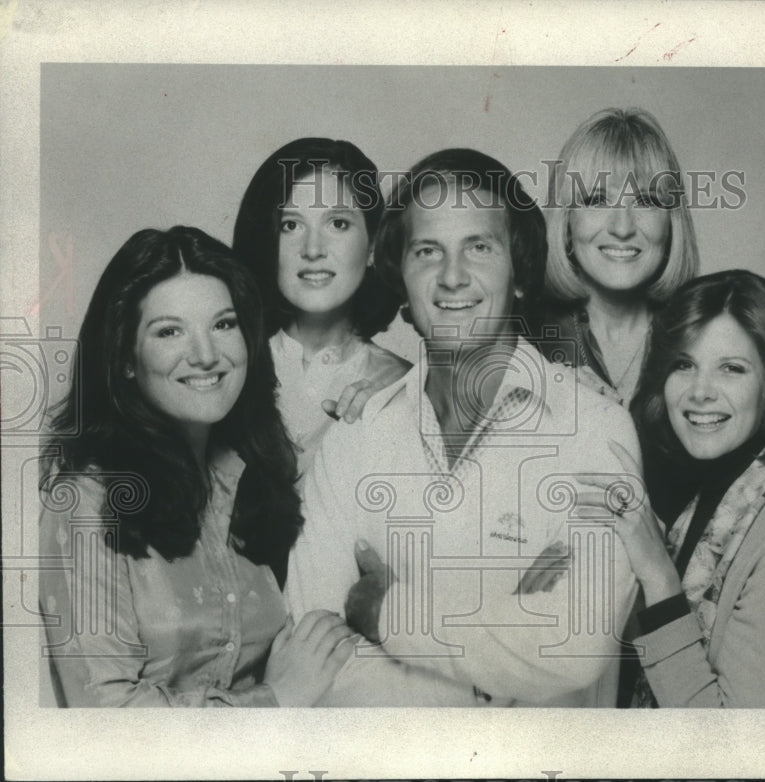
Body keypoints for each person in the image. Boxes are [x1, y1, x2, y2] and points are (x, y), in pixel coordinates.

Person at [285, 148, 641, 706]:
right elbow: (315, 657)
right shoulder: (355, 438)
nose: (452, 277)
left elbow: (572, 642)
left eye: (479, 246)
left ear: (520, 273)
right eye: (427, 251)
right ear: (400, 280)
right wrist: (499, 654)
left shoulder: (593, 432)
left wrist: (386, 612)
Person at [40, 226, 355, 706]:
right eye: (169, 331)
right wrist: (275, 700)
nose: (207, 355)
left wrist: (387, 400)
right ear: (125, 357)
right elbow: (104, 717)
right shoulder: (87, 502)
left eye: (224, 325)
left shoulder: (259, 477)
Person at [578, 270, 765, 707]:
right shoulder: (704, 494)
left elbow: (722, 749)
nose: (700, 392)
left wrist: (658, 573)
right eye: (683, 365)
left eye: (732, 369)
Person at [233, 138, 410, 468]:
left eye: (338, 223)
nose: (313, 249)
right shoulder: (225, 363)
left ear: (373, 245)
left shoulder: (405, 386)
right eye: (290, 225)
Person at [540, 107, 699, 406]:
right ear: (566, 220)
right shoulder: (519, 338)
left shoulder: (705, 331)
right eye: (597, 200)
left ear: (671, 221)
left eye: (646, 200)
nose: (622, 227)